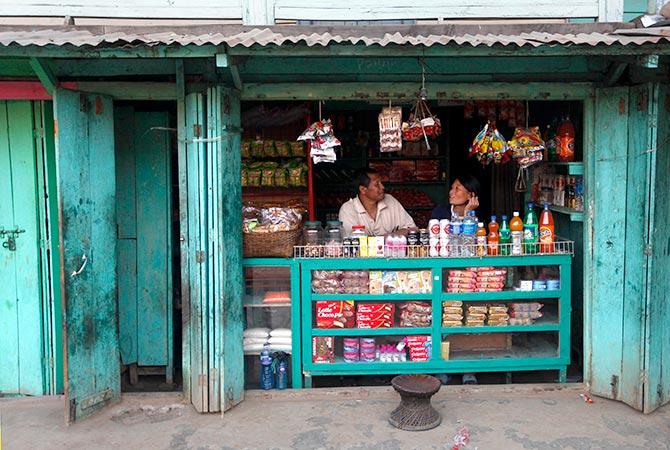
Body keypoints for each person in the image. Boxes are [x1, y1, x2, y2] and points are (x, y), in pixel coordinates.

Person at [431, 174, 481, 386]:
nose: (452, 192)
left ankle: (468, 367)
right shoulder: (440, 213)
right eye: (452, 188)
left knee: (466, 316)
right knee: (443, 316)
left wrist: (469, 215)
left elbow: (471, 247)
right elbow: (438, 241)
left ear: (471, 195)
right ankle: (441, 364)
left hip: (468, 274)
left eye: (458, 189)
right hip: (443, 272)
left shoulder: (479, 215)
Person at [338, 168, 416, 236]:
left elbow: (412, 228)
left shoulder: (390, 200)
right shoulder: (348, 209)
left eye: (381, 183)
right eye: (377, 184)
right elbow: (352, 240)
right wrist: (385, 239)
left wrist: (390, 236)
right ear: (363, 189)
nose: (382, 187)